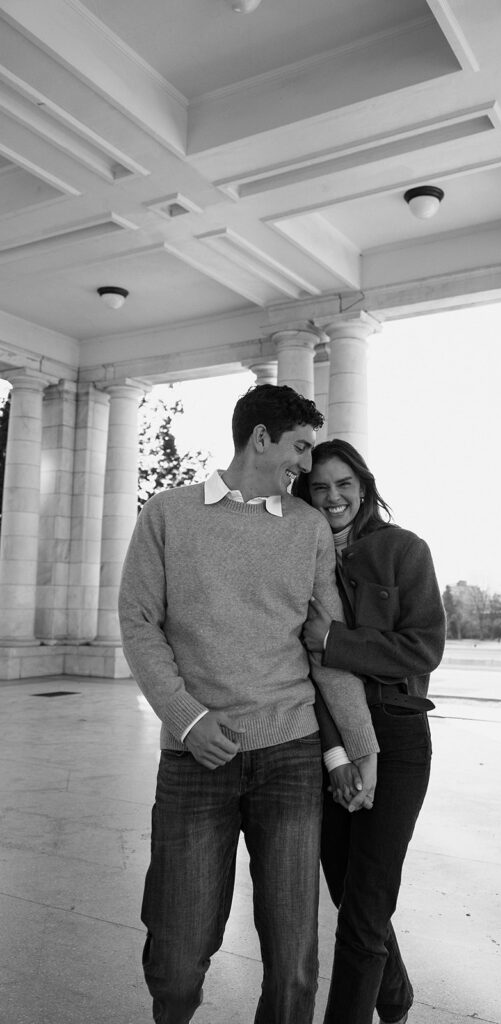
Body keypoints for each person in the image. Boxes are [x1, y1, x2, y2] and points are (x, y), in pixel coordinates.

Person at [118, 385, 379, 1024]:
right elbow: (139, 621)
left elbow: (325, 646)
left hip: (290, 756)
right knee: (177, 961)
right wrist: (186, 717)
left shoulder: (309, 528)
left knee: (293, 966)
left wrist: (362, 745)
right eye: (299, 446)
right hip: (194, 760)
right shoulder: (168, 515)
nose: (306, 464)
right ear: (260, 437)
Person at [294, 439, 446, 1024]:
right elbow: (308, 672)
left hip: (399, 737)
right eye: (319, 487)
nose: (332, 497)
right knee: (348, 888)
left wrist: (335, 640)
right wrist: (336, 751)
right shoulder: (302, 555)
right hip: (327, 737)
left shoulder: (404, 550)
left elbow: (423, 647)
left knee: (364, 906)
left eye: (343, 485)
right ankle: (397, 996)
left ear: (364, 486)